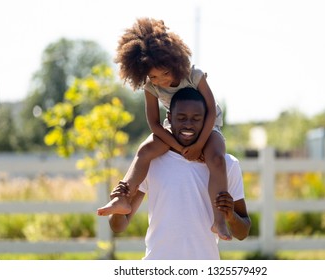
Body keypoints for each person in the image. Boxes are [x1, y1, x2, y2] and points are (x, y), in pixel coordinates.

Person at [97, 18, 231, 240]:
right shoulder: (151, 87)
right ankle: (122, 196)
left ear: (174, 61)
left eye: (165, 73)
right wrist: (178, 146)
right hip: (174, 126)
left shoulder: (193, 74)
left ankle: (219, 220)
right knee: (145, 150)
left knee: (217, 158)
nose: (160, 81)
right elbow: (155, 124)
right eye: (153, 77)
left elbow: (209, 110)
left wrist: (199, 145)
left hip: (207, 122)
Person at [109, 87, 251, 260]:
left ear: (207, 121)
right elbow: (119, 226)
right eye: (181, 118)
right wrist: (118, 208)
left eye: (196, 119)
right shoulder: (152, 161)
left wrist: (230, 216)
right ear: (169, 118)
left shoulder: (227, 165)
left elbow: (243, 232)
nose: (188, 125)